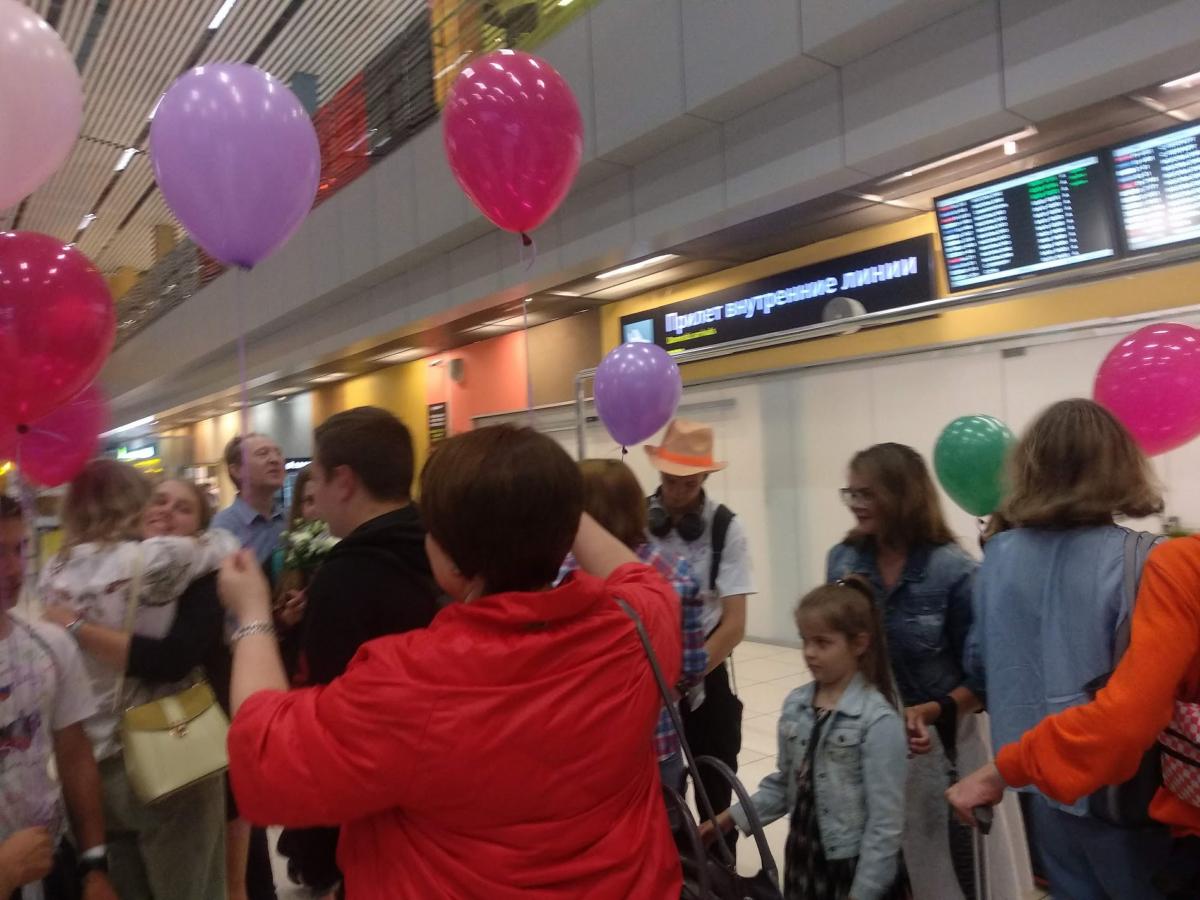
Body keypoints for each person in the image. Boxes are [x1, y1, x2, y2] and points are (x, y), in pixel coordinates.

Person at [219, 425, 684, 899]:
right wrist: (545, 499)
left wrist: (253, 616)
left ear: (448, 558)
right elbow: (638, 577)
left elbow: (265, 755)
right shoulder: (634, 631)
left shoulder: (410, 679)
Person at [949, 399, 1176, 899]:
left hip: (1033, 778)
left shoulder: (998, 557)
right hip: (1124, 790)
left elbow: (979, 664)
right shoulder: (1144, 558)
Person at [949, 535, 1200, 894]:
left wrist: (1004, 770)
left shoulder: (1185, 564)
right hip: (1124, 800)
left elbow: (1127, 722)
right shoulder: (1148, 554)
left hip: (1101, 787)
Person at [38, 461, 239, 900]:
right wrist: (200, 534)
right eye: (156, 499)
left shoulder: (52, 572)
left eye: (180, 506)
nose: (163, 510)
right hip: (168, 751)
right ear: (135, 502)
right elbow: (226, 545)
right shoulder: (157, 559)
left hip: (93, 763)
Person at [277, 407, 441, 895]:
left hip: (375, 815)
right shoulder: (442, 548)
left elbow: (332, 716)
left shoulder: (346, 576)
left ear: (344, 481)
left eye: (318, 478)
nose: (315, 494)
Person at [826, 443, 988, 900]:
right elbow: (831, 647)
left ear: (902, 495)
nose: (855, 504)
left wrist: (929, 712)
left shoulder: (954, 571)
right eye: (850, 493)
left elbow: (983, 683)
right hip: (863, 741)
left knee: (941, 876)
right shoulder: (842, 561)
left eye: (867, 494)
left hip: (940, 749)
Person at [705, 578, 908, 900]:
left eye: (823, 643)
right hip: (804, 858)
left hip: (854, 871)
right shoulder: (797, 705)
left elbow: (884, 828)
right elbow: (786, 784)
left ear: (859, 644)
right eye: (805, 641)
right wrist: (729, 818)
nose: (810, 653)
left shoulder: (878, 722)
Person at [558, 458, 707, 795]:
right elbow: (693, 667)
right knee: (666, 824)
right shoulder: (676, 571)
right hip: (658, 742)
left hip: (582, 750)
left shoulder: (556, 577)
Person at [0, 496, 118, 900]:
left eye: (19, 549)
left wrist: (94, 864)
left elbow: (74, 754)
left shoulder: (48, 646)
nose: (13, 569)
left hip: (48, 864)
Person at [644, 418, 753, 844]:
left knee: (715, 787)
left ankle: (718, 866)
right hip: (648, 674)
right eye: (669, 481)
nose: (676, 493)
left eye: (687, 484)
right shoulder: (635, 520)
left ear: (705, 477)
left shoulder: (726, 527)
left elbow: (734, 625)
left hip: (703, 671)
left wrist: (685, 676)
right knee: (658, 790)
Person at [211, 433, 286, 568]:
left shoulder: (290, 519)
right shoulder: (223, 528)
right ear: (237, 470)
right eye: (262, 453)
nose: (275, 459)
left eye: (278, 453)